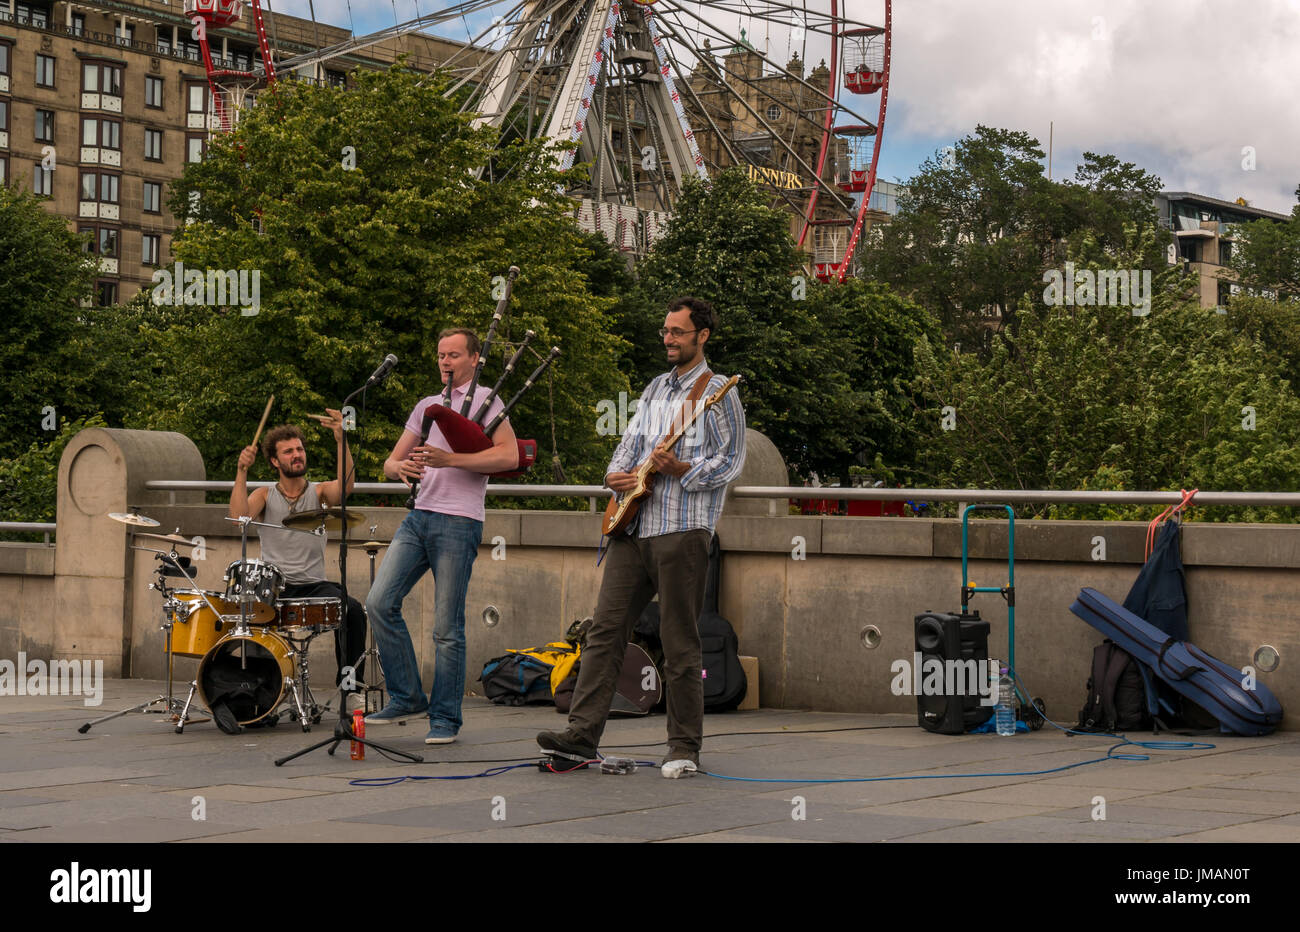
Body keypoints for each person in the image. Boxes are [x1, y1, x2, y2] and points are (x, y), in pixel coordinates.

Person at [537, 296, 746, 776]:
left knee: (679, 642)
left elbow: (731, 461)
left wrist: (685, 468)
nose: (669, 339)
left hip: (682, 529)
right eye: (665, 332)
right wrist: (616, 475)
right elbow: (629, 444)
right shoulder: (655, 388)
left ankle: (683, 749)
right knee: (604, 633)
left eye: (678, 332)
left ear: (702, 336)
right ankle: (580, 737)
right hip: (634, 526)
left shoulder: (719, 392)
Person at [364, 328, 519, 744]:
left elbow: (510, 455)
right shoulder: (427, 405)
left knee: (446, 627)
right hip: (419, 518)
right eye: (440, 355)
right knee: (379, 602)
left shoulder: (488, 401)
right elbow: (389, 463)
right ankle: (407, 695)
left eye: (453, 355)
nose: (445, 362)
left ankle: (445, 719)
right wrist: (402, 470)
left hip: (459, 520)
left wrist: (450, 459)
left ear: (473, 359)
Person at [228, 410, 369, 732]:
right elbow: (239, 519)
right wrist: (241, 470)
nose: (297, 455)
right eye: (289, 451)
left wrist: (341, 439)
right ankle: (258, 694)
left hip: (312, 585)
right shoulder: (264, 494)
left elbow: (346, 489)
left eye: (299, 449)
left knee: (354, 612)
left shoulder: (318, 493)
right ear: (275, 461)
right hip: (274, 588)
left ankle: (350, 690)